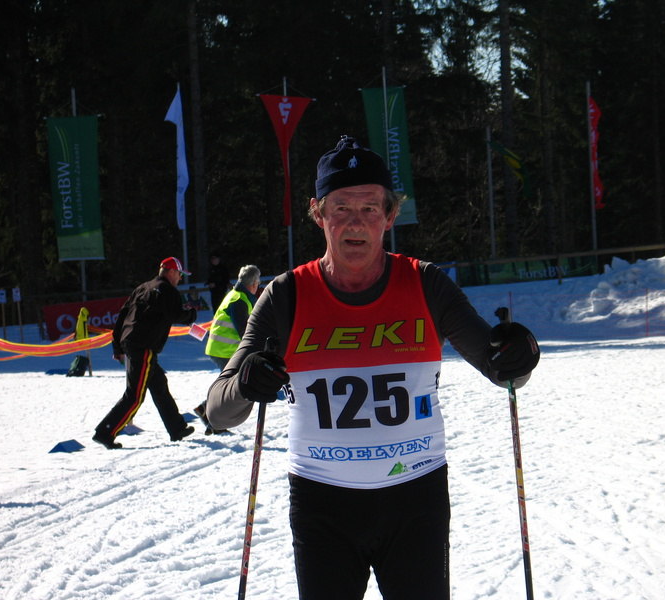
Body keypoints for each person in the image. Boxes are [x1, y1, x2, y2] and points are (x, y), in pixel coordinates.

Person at [204, 136, 540, 599]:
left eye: (369, 208)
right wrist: (247, 382)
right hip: (322, 504)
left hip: (415, 499)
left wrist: (520, 354)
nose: (355, 222)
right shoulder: (286, 295)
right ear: (318, 214)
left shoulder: (425, 283)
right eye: (341, 208)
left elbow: (504, 370)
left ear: (390, 215)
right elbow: (218, 411)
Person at [92, 256, 198, 449]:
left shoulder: (143, 287)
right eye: (179, 274)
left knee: (159, 384)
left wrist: (117, 346)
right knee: (135, 396)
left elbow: (122, 316)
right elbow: (176, 315)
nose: (180, 278)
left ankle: (177, 428)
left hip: (131, 342)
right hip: (143, 347)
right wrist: (191, 314)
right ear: (171, 272)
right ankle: (105, 432)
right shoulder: (167, 290)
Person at [194, 264, 261, 435]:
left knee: (230, 386)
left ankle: (207, 412)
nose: (258, 285)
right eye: (258, 282)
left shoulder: (237, 295)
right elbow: (244, 331)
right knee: (231, 387)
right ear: (253, 283)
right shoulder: (239, 300)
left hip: (222, 349)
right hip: (223, 350)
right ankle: (212, 418)